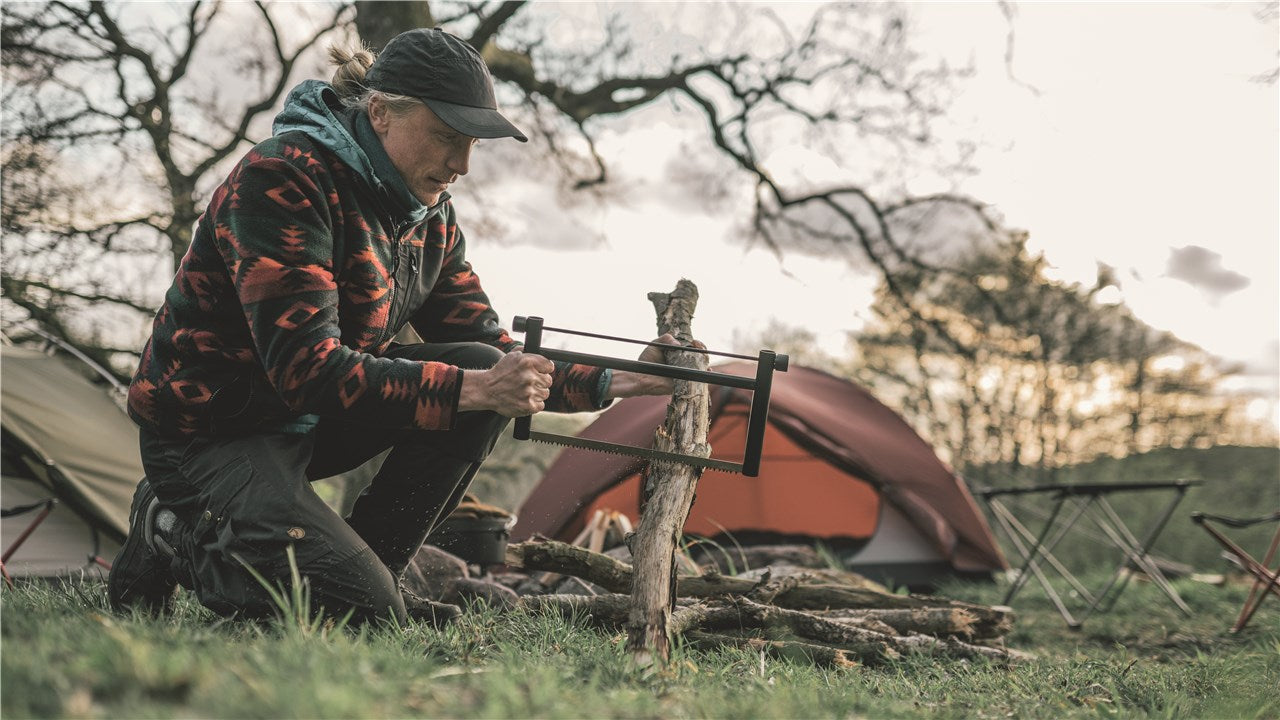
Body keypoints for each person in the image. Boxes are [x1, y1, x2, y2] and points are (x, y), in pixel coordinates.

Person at [108, 28, 679, 625]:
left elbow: (492, 351)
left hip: (309, 424)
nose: (461, 165)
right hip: (213, 432)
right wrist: (476, 389)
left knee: (480, 369)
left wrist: (626, 378)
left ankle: (376, 570)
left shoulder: (428, 216)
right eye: (446, 138)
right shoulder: (283, 181)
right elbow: (306, 370)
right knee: (358, 606)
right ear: (380, 112)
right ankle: (171, 528)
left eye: (472, 145)